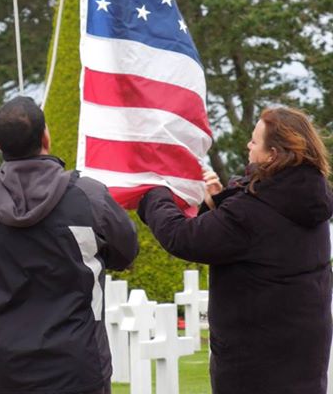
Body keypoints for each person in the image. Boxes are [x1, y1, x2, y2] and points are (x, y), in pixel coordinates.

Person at [0, 96, 139, 394]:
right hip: (78, 366)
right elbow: (126, 251)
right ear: (46, 137)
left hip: (3, 367)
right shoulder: (89, 198)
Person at [138, 106, 333, 394]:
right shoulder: (310, 199)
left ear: (273, 154)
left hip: (254, 367)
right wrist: (219, 202)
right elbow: (253, 240)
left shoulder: (252, 212)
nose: (248, 146)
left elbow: (182, 237)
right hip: (302, 359)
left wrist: (155, 192)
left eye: (255, 141)